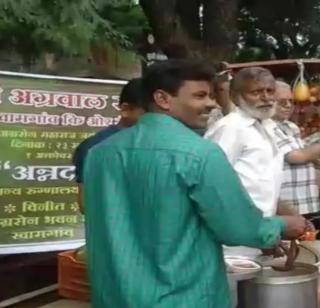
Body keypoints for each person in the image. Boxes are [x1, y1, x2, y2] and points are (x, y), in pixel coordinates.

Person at [83, 60, 306, 308]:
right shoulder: (200, 154)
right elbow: (238, 229)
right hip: (183, 295)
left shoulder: (99, 154)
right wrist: (279, 225)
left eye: (210, 95)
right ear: (163, 99)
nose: (211, 103)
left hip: (114, 295)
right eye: (200, 96)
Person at [205, 67, 283, 218]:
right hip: (236, 226)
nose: (266, 98)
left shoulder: (268, 126)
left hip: (263, 225)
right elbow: (213, 182)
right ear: (234, 97)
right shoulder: (230, 128)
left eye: (270, 91)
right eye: (256, 92)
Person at [72, 78, 144, 212]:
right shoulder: (94, 147)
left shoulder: (174, 146)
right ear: (125, 109)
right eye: (148, 113)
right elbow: (85, 204)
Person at [273, 81, 320, 218]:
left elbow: (308, 157)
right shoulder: (267, 127)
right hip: (288, 206)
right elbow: (296, 156)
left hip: (307, 201)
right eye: (282, 102)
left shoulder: (291, 127)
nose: (288, 106)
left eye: (291, 101)